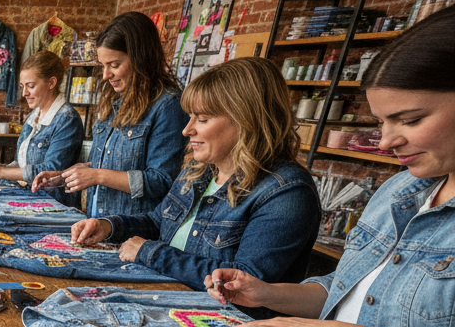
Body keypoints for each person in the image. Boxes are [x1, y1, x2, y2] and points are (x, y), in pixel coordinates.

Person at [213, 6, 455, 327]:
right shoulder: (402, 189)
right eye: (381, 122)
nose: (386, 141)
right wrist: (269, 293)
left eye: (411, 120)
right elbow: (354, 291)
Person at [69, 57, 319, 300]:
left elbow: (241, 284)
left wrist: (151, 253)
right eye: (191, 117)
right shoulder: (199, 170)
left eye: (202, 119)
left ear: (246, 121)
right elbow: (158, 223)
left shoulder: (287, 193)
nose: (187, 129)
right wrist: (109, 226)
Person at [34, 11, 188, 217]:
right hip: (99, 221)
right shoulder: (114, 98)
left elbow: (162, 181)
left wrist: (98, 176)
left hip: (133, 228)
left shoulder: (167, 105)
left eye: (114, 65)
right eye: (103, 65)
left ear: (141, 58)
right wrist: (67, 175)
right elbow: (109, 161)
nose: (106, 75)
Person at [0, 51, 84, 205]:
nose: (25, 93)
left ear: (51, 83)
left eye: (31, 86)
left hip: (54, 206)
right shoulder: (33, 116)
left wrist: (0, 172)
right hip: (29, 199)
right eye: (22, 86)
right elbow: (22, 164)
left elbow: (50, 171)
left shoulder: (67, 119)